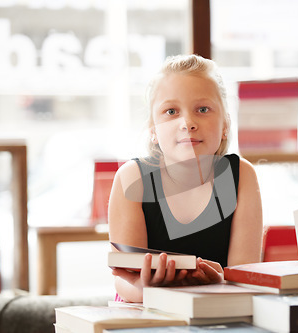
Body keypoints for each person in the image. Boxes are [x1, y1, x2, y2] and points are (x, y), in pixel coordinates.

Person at [108, 54, 263, 303]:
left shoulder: (242, 175)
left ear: (225, 124)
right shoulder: (131, 178)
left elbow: (245, 277)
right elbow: (123, 279)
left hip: (218, 309)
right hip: (144, 311)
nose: (188, 122)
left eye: (203, 109)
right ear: (153, 130)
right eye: (171, 111)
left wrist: (220, 283)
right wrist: (149, 289)